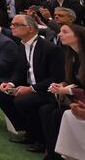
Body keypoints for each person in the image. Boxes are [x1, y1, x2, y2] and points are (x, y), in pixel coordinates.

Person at [0, 15, 64, 153]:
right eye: (12, 24)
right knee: (0, 95)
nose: (12, 26)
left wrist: (31, 88)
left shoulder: (50, 49)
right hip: (31, 87)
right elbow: (19, 71)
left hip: (48, 90)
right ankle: (28, 131)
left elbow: (56, 78)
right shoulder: (22, 45)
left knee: (23, 101)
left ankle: (40, 139)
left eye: (16, 24)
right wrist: (11, 84)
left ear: (30, 28)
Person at [40, 24, 85, 160]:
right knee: (46, 110)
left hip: (80, 100)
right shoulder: (71, 56)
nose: (60, 34)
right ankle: (52, 152)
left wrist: (67, 90)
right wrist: (61, 85)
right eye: (60, 32)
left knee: (58, 113)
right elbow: (72, 81)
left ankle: (59, 154)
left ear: (78, 36)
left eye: (65, 32)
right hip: (78, 99)